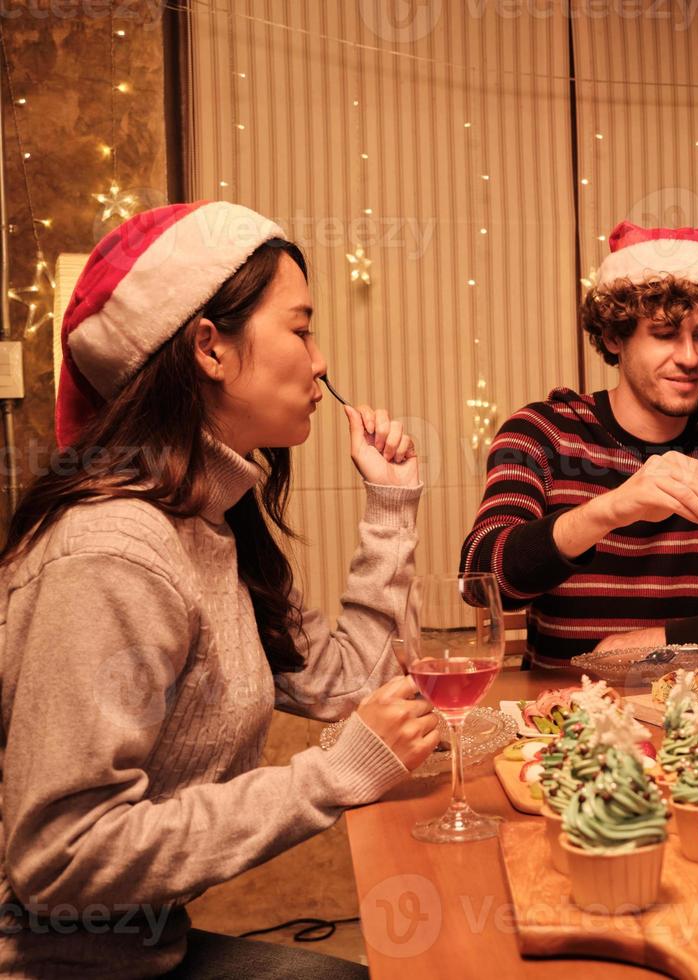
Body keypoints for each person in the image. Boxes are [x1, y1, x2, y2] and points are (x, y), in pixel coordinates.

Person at [0, 202, 433, 978]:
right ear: (210, 347)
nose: (321, 360)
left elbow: (348, 686)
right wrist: (330, 778)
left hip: (146, 952)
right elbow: (60, 858)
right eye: (300, 329)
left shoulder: (214, 525)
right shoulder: (115, 552)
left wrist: (391, 508)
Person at [460, 221, 698, 663]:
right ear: (613, 337)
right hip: (564, 716)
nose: (689, 358)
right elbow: (482, 577)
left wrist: (649, 644)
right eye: (664, 334)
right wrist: (612, 509)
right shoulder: (542, 432)